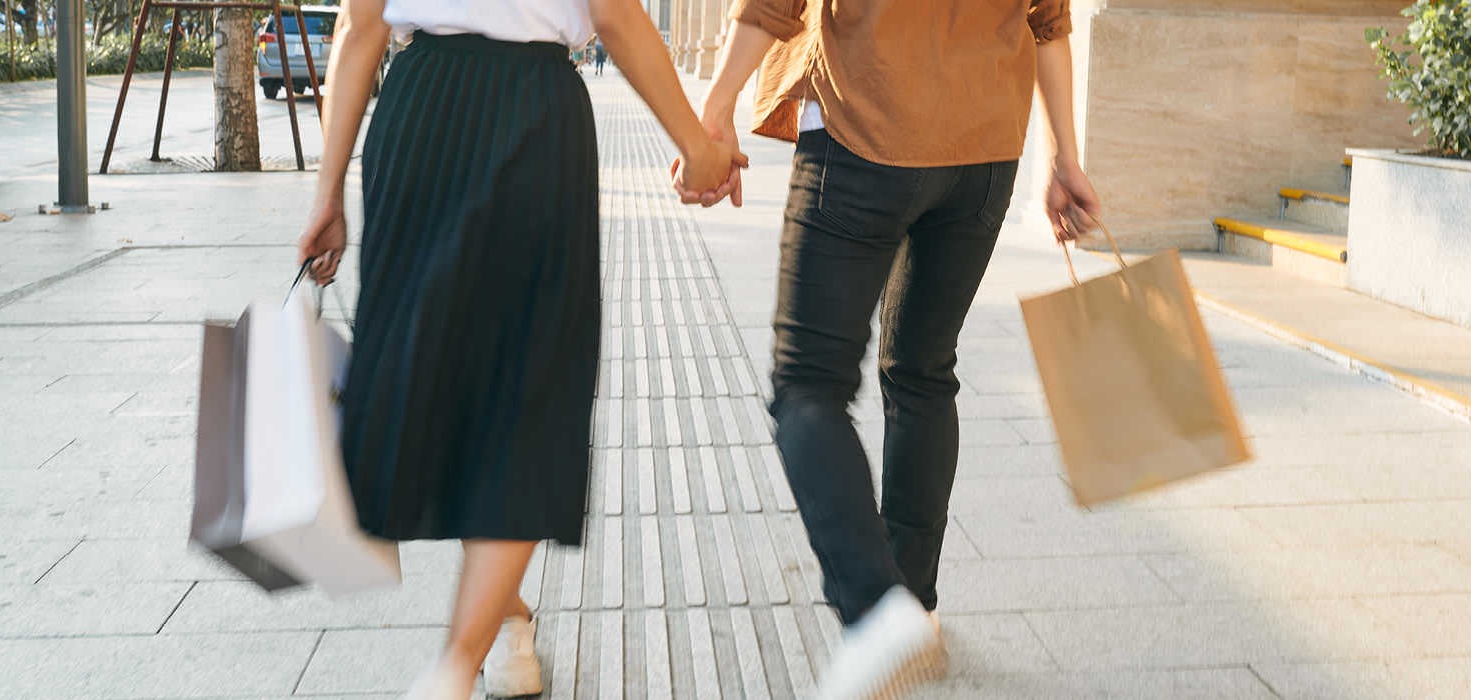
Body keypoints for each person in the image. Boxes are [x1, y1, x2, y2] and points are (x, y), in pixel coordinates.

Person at [295, 0, 744, 697]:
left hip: (419, 113)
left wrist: (327, 195)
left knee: (440, 380)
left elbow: (360, 28)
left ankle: (503, 627)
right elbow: (617, 15)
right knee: (525, 392)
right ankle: (456, 668)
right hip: (534, 117)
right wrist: (699, 145)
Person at [679, 1, 1102, 697]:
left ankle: (879, 610)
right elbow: (1048, 22)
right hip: (985, 150)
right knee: (924, 372)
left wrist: (716, 110)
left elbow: (770, 6)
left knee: (808, 386)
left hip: (864, 126)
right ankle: (916, 604)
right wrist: (1065, 157)